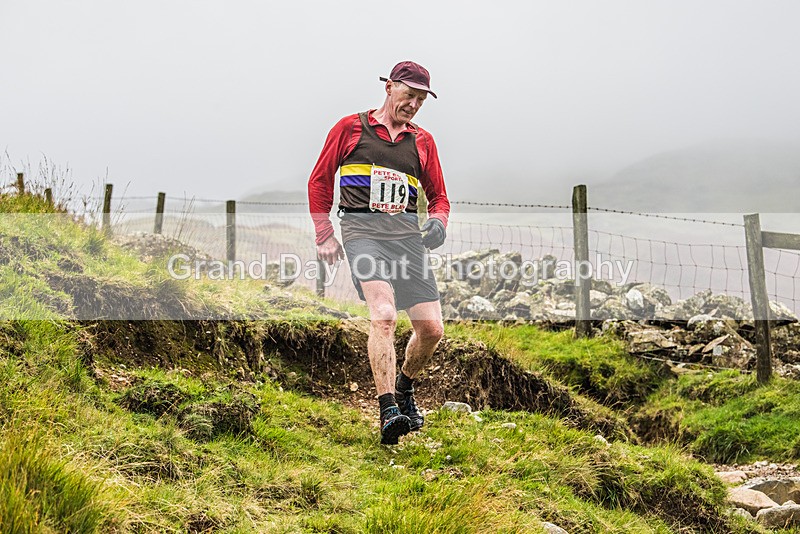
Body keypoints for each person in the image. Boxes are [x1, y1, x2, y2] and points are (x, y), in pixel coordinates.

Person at [308, 61, 450, 445]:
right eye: (410, 95)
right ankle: (388, 408)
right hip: (362, 234)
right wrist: (324, 233)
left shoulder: (423, 141)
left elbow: (439, 198)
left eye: (421, 100)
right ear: (389, 87)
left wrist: (438, 222)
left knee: (432, 329)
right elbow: (320, 180)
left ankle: (404, 387)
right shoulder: (350, 128)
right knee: (384, 315)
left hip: (407, 240)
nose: (414, 105)